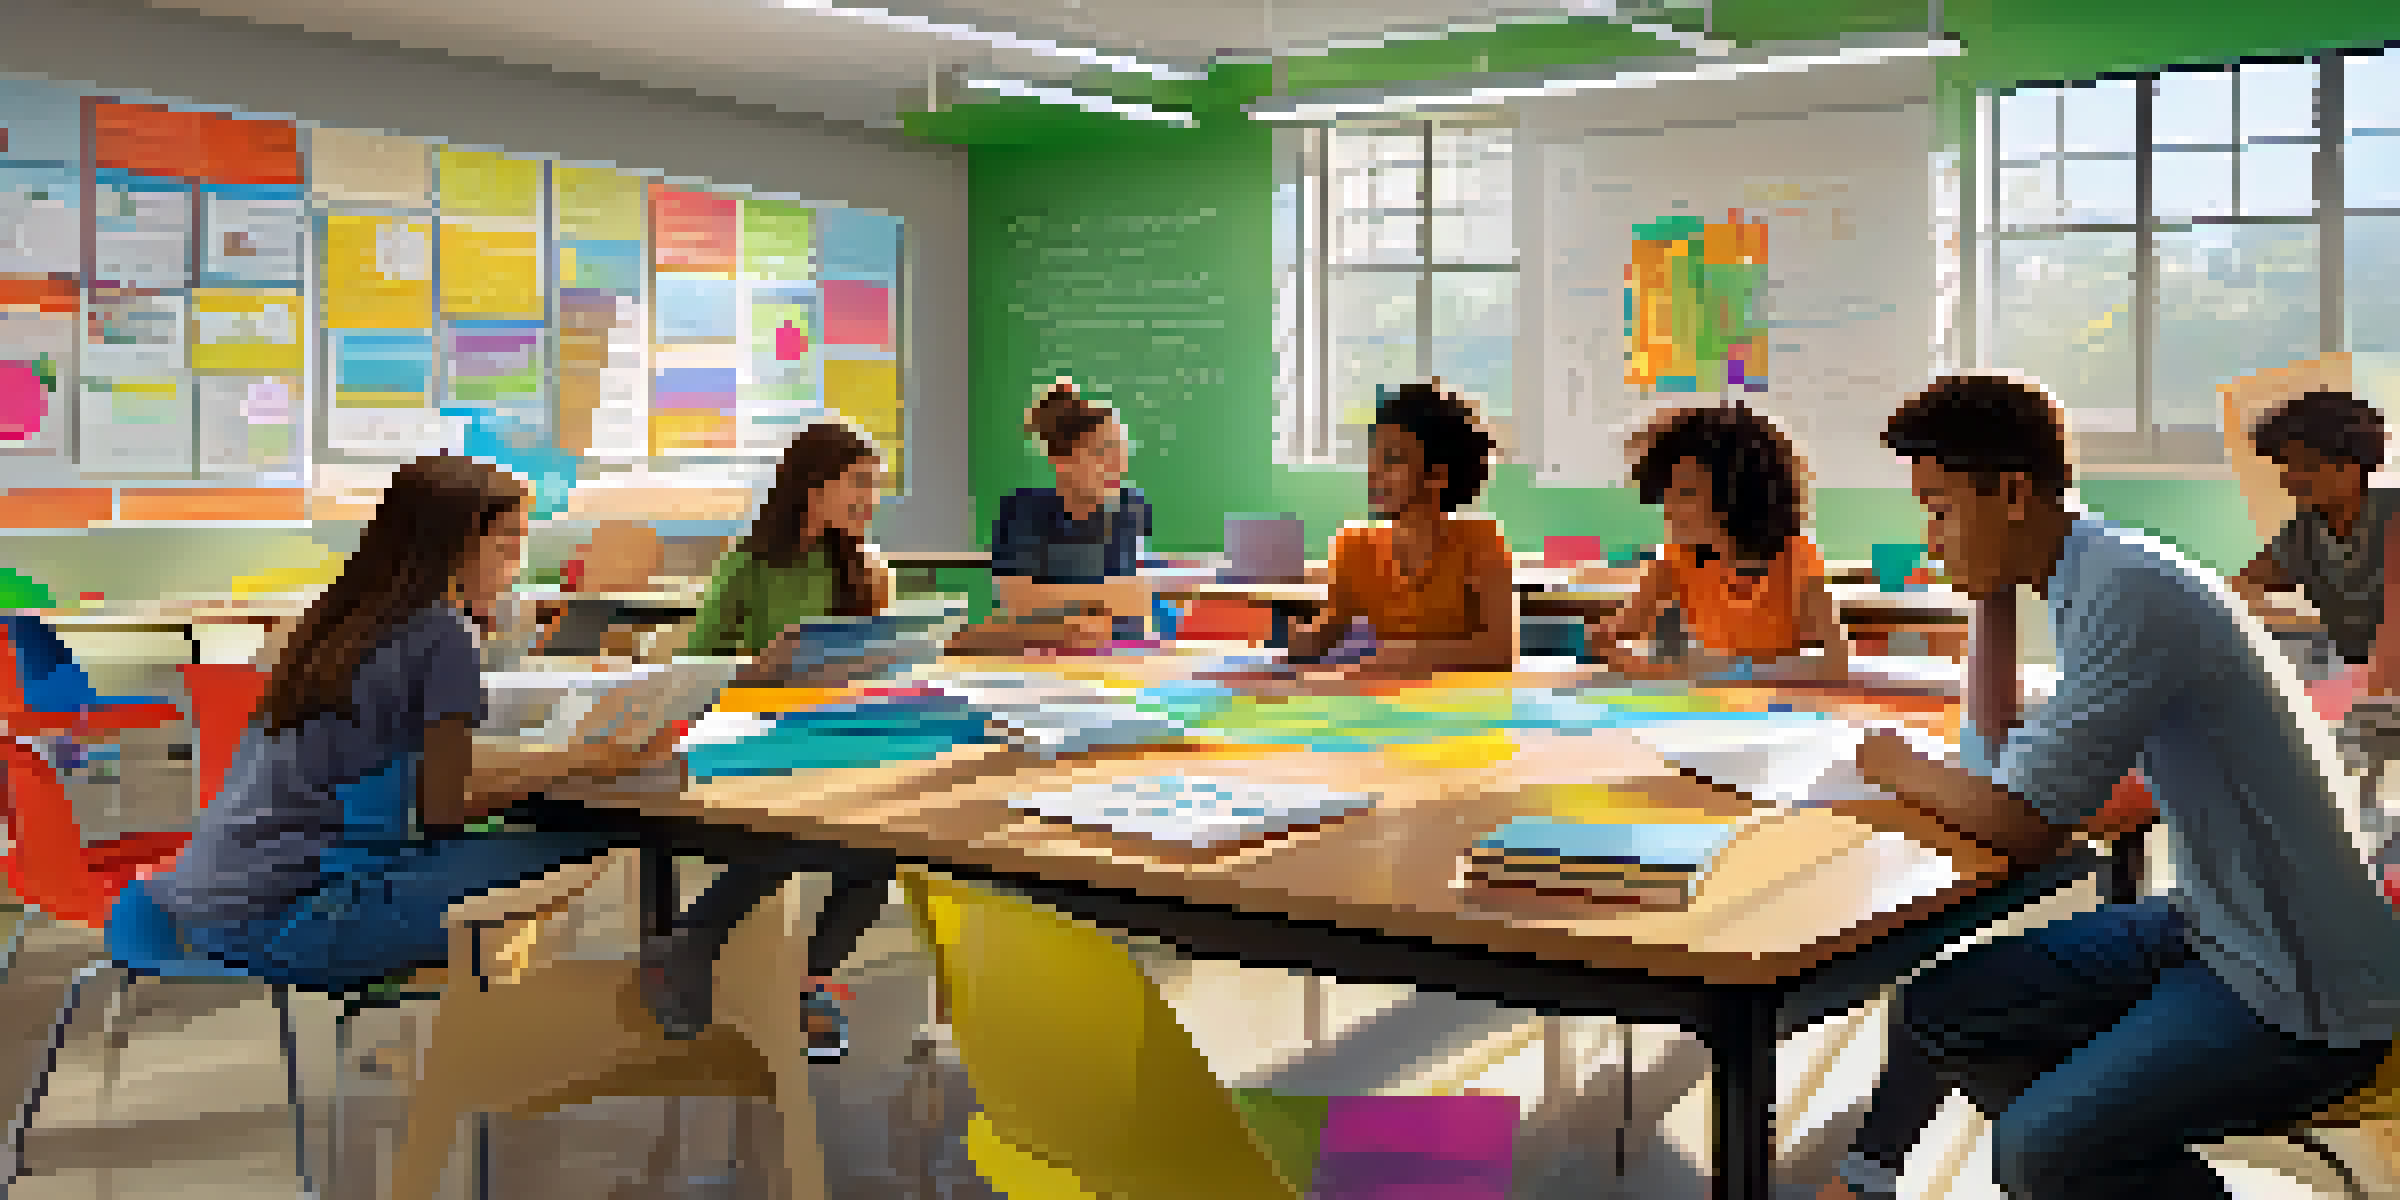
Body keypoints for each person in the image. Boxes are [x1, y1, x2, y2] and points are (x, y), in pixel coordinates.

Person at [1825, 373, 2400, 1200]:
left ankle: (2078, 1145)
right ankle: (1881, 1177)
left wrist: (1890, 765)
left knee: (2036, 1153)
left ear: (2013, 492)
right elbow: (2000, 769)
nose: (1931, 536)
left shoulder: (2123, 593)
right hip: (2215, 925)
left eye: (1941, 507)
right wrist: (1989, 603)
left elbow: (2023, 826)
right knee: (1940, 1009)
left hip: (2301, 986)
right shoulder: (2087, 572)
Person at [147, 455, 680, 996]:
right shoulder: (442, 630)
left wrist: (565, 758)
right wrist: (589, 760)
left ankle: (477, 1038)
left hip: (206, 903)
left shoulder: (339, 617)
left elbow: (414, 767)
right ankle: (585, 1037)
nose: (515, 567)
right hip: (303, 915)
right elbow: (442, 810)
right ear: (450, 546)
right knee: (613, 845)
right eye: (506, 546)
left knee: (532, 846)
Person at [633, 421, 910, 1052]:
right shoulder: (749, 565)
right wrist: (764, 664)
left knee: (877, 848)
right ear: (813, 489)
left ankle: (797, 982)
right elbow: (695, 667)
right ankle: (695, 945)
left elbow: (870, 667)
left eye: (876, 486)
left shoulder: (863, 568)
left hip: (825, 742)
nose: (871, 500)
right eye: (859, 484)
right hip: (743, 737)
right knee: (803, 823)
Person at [1598, 404, 1847, 683]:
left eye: (1687, 493)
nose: (1670, 508)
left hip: (1775, 712)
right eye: (1666, 493)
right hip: (1713, 708)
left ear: (1739, 496)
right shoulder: (1676, 560)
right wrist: (1614, 649)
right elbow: (1616, 638)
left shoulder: (1795, 558)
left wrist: (1724, 673)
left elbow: (1836, 663)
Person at [1285, 380, 1517, 674]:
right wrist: (1297, 642)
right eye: (1372, 457)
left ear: (1437, 476)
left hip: (1462, 709)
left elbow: (1500, 650)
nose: (1373, 472)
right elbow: (1329, 633)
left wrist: (1405, 655)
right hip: (1392, 707)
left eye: (1392, 459)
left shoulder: (1480, 542)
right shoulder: (1354, 545)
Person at [2227, 388, 2400, 722]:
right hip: (2362, 685)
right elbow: (2237, 593)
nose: (2291, 479)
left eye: (2307, 466)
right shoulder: (2305, 533)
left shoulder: (2392, 519)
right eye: (2285, 466)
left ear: (2352, 466)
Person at [973, 380, 1154, 651]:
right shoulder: (1022, 510)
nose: (1119, 465)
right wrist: (1106, 596)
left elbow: (1134, 606)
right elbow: (1017, 601)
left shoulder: (1130, 506)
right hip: (1043, 662)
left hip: (1119, 661)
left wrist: (1071, 603)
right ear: (1062, 458)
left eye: (1123, 451)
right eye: (1103, 451)